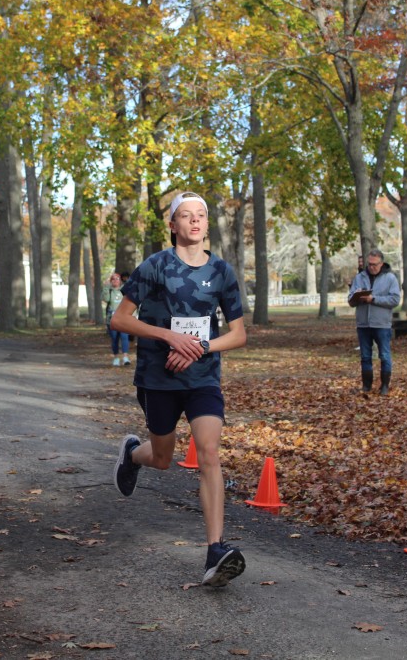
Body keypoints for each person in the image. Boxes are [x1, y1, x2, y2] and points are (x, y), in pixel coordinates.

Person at [111, 190, 248, 587]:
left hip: (203, 377)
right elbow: (120, 320)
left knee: (209, 452)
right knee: (162, 458)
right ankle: (133, 454)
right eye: (186, 216)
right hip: (158, 378)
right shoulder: (155, 266)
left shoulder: (221, 271)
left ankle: (215, 550)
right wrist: (169, 337)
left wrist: (202, 347)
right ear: (172, 225)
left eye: (200, 215)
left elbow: (238, 334)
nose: (195, 221)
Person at [348, 249, 401, 395]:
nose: (371, 267)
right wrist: (357, 297)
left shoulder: (390, 278)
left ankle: (384, 386)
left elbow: (395, 299)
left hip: (382, 323)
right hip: (363, 324)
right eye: (369, 264)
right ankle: (366, 386)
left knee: (384, 355)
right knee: (365, 356)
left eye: (374, 264)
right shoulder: (359, 277)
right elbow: (350, 300)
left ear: (381, 263)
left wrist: (374, 299)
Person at [101, 272, 130, 366]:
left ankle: (125, 357)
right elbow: (106, 299)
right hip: (112, 319)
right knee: (114, 339)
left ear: (120, 280)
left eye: (117, 278)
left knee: (124, 337)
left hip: (123, 318)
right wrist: (106, 287)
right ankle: (116, 357)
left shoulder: (124, 289)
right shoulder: (109, 290)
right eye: (113, 279)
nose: (115, 280)